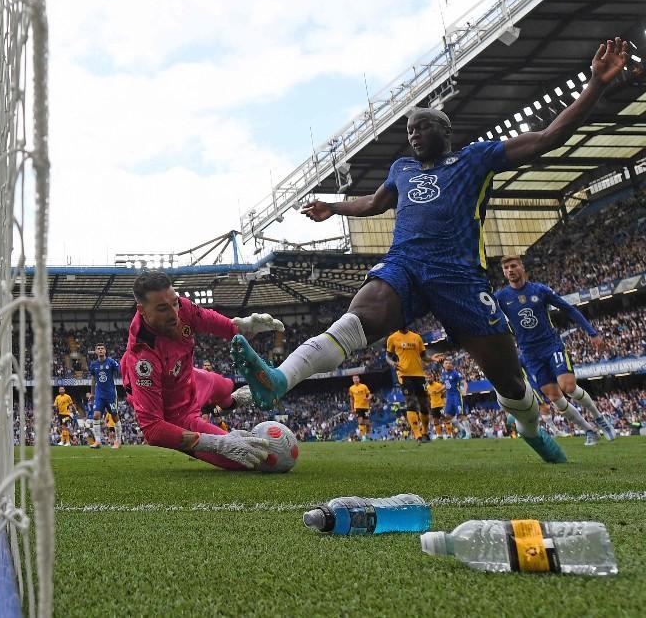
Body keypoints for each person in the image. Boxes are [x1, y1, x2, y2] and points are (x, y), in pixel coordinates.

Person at [233, 38, 628, 463]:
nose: (414, 135)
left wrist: (596, 85)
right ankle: (279, 379)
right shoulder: (401, 169)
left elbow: (550, 136)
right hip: (405, 265)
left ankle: (531, 430)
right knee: (358, 315)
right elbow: (373, 203)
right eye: (409, 130)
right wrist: (334, 206)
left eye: (423, 127)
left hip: (459, 277)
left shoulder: (476, 159)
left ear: (445, 130)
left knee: (510, 382)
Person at [120, 270, 284, 470]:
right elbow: (152, 429)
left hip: (189, 378)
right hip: (175, 412)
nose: (174, 314)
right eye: (163, 308)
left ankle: (230, 402)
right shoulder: (142, 358)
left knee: (226, 386)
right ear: (142, 310)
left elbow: (215, 323)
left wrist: (243, 328)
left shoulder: (182, 307)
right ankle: (215, 418)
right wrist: (216, 443)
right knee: (252, 458)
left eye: (174, 303)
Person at [495, 255, 616, 446]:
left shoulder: (540, 290)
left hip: (551, 346)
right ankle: (589, 430)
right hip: (529, 354)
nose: (510, 270)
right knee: (554, 398)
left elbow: (569, 309)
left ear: (521, 267)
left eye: (513, 266)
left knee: (568, 387)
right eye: (506, 268)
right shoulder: (501, 297)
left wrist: (592, 332)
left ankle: (600, 418)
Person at [387, 328, 431, 443]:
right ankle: (417, 435)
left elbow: (424, 356)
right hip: (404, 374)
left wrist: (433, 359)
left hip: (419, 374)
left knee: (424, 405)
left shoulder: (417, 337)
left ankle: (425, 432)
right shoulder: (392, 338)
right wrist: (392, 363)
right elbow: (388, 356)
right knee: (410, 402)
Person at [89, 342, 121, 448]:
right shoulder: (93, 364)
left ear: (105, 350)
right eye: (98, 348)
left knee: (114, 416)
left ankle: (118, 441)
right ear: (96, 351)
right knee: (96, 415)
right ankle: (98, 441)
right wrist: (92, 393)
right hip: (99, 394)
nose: (101, 350)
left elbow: (120, 370)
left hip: (111, 394)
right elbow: (93, 379)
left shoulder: (111, 362)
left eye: (102, 348)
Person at [438, 357, 469, 438]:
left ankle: (469, 434)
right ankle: (462, 430)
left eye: (449, 363)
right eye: (446, 363)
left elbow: (464, 382)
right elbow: (446, 385)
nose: (448, 364)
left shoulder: (455, 373)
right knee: (447, 417)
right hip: (449, 397)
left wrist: (464, 390)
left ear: (451, 365)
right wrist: (439, 390)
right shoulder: (443, 374)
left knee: (461, 415)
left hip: (457, 396)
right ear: (444, 365)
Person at [348, 374, 371, 440]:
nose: (356, 380)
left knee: (366, 421)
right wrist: (352, 408)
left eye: (357, 378)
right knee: (360, 421)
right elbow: (351, 399)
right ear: (352, 380)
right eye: (354, 379)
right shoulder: (351, 388)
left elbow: (370, 395)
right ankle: (363, 436)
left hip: (366, 407)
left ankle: (368, 435)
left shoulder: (364, 386)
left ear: (359, 379)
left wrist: (368, 398)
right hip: (357, 407)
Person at [426, 371, 447, 438]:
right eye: (427, 378)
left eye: (430, 377)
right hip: (433, 406)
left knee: (445, 418)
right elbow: (428, 397)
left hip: (440, 405)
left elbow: (444, 392)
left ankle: (450, 434)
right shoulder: (427, 387)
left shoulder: (438, 385)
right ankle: (439, 435)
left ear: (433, 378)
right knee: (435, 420)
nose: (429, 379)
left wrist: (444, 402)